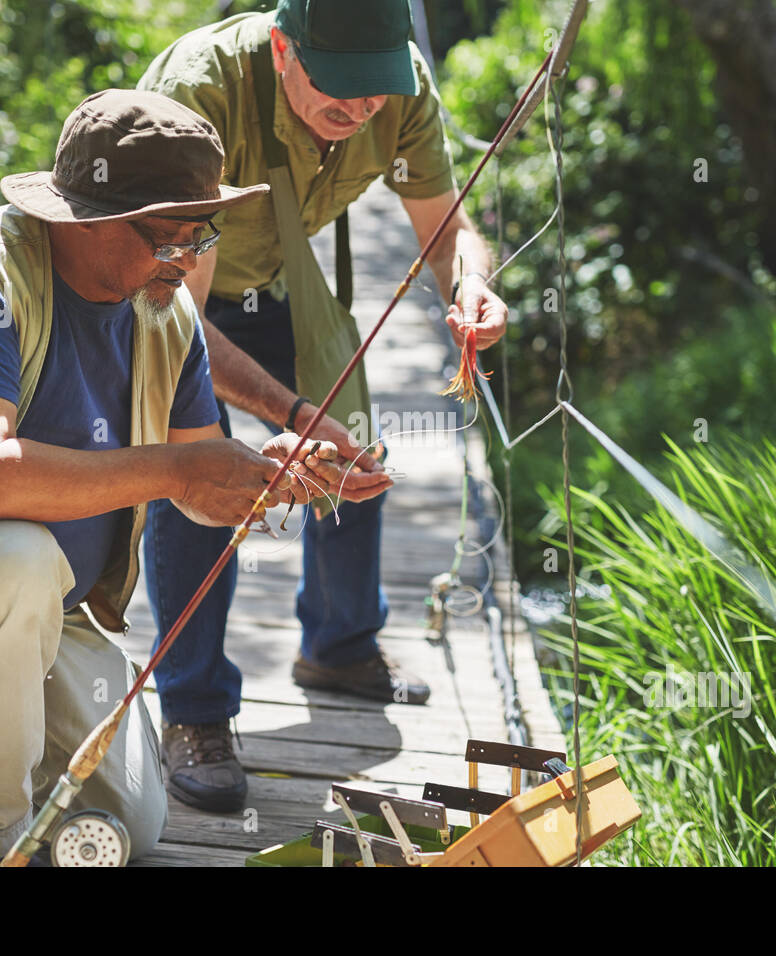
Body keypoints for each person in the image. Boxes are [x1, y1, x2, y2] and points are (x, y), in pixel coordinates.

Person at [0, 89, 384, 866]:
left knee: (130, 818)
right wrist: (182, 466)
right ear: (86, 219)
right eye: (170, 237)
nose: (191, 260)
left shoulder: (169, 313)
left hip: (39, 606)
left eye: (203, 235)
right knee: (13, 559)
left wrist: (263, 479)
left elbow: (192, 488)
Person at [135, 0, 509, 814]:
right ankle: (194, 711)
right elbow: (181, 318)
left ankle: (339, 645)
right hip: (168, 289)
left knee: (358, 445)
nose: (360, 112)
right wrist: (291, 412)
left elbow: (446, 231)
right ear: (281, 48)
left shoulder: (399, 90)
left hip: (282, 279)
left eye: (372, 94)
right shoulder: (198, 94)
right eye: (338, 93)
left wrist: (471, 283)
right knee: (197, 469)